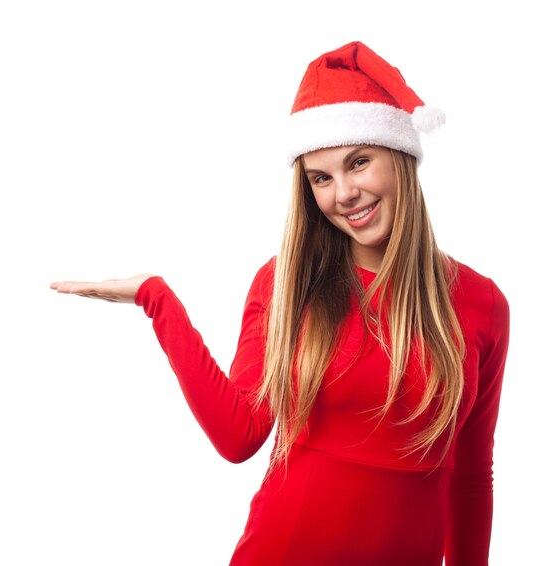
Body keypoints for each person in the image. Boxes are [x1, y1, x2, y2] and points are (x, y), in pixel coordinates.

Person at [50, 41, 510, 566]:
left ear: (400, 157)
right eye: (321, 178)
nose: (343, 194)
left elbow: (471, 475)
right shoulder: (286, 283)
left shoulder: (482, 303)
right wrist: (158, 299)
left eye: (358, 163)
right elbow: (239, 435)